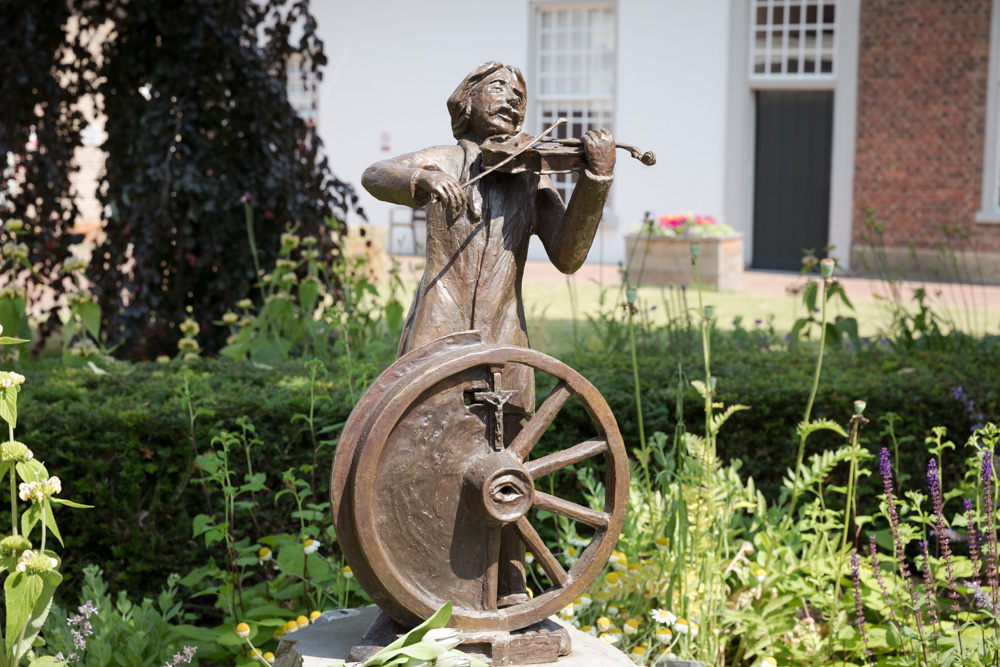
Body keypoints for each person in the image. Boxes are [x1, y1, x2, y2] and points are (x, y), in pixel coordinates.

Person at [361, 60, 616, 606]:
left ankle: (509, 592)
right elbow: (375, 174)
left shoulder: (531, 177)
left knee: (505, 463)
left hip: (505, 338)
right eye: (499, 87)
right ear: (467, 99)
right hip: (439, 329)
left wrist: (596, 180)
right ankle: (412, 585)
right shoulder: (445, 158)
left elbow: (569, 255)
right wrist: (425, 179)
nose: (514, 98)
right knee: (417, 456)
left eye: (521, 92)